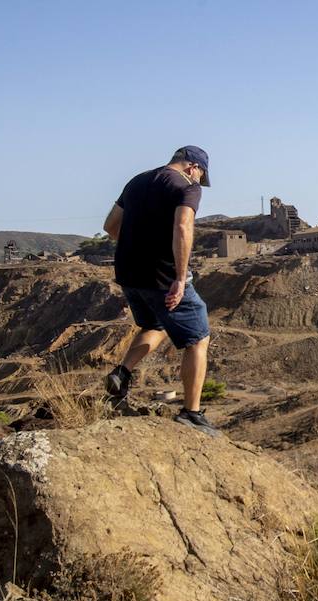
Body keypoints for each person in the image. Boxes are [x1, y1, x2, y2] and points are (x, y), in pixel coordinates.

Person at [101, 145, 216, 433]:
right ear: (193, 167)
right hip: (162, 275)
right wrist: (179, 276)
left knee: (154, 323)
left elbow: (111, 226)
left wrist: (137, 247)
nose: (199, 181)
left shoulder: (137, 181)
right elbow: (183, 227)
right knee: (198, 338)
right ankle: (192, 413)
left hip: (129, 273)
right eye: (200, 176)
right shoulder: (187, 187)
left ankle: (122, 373)